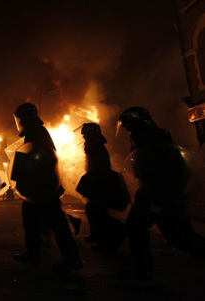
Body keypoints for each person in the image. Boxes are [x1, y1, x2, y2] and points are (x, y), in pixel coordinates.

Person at [118, 107, 205, 279]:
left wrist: (151, 186)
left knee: (174, 235)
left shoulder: (145, 137)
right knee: (176, 235)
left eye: (127, 123)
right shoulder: (155, 135)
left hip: (157, 193)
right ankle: (142, 267)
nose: (125, 128)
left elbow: (154, 167)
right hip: (159, 192)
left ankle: (142, 268)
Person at [11, 102, 82, 272]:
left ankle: (72, 260)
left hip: (41, 187)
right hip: (36, 186)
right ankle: (32, 253)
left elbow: (41, 158)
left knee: (57, 225)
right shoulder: (34, 131)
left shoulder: (36, 132)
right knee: (31, 222)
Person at [75, 123, 127, 252]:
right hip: (98, 180)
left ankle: (108, 237)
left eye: (85, 134)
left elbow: (96, 166)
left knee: (96, 211)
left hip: (99, 181)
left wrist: (89, 181)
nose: (84, 137)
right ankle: (97, 235)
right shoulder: (97, 144)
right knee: (94, 210)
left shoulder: (94, 146)